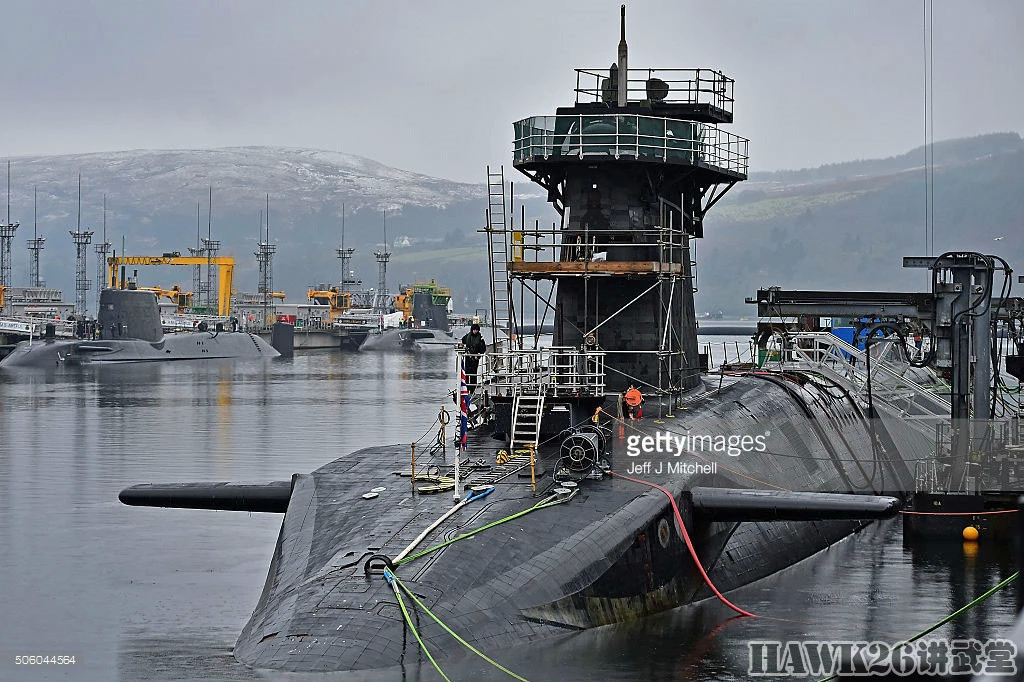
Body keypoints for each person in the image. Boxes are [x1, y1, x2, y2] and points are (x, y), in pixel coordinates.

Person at [460, 323, 487, 393]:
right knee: (467, 373)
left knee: (473, 374)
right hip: (468, 357)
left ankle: (472, 389)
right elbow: (463, 341)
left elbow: (483, 349)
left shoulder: (480, 338)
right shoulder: (467, 336)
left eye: (476, 330)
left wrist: (478, 356)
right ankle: (466, 388)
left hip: (475, 358)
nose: (475, 331)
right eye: (474, 330)